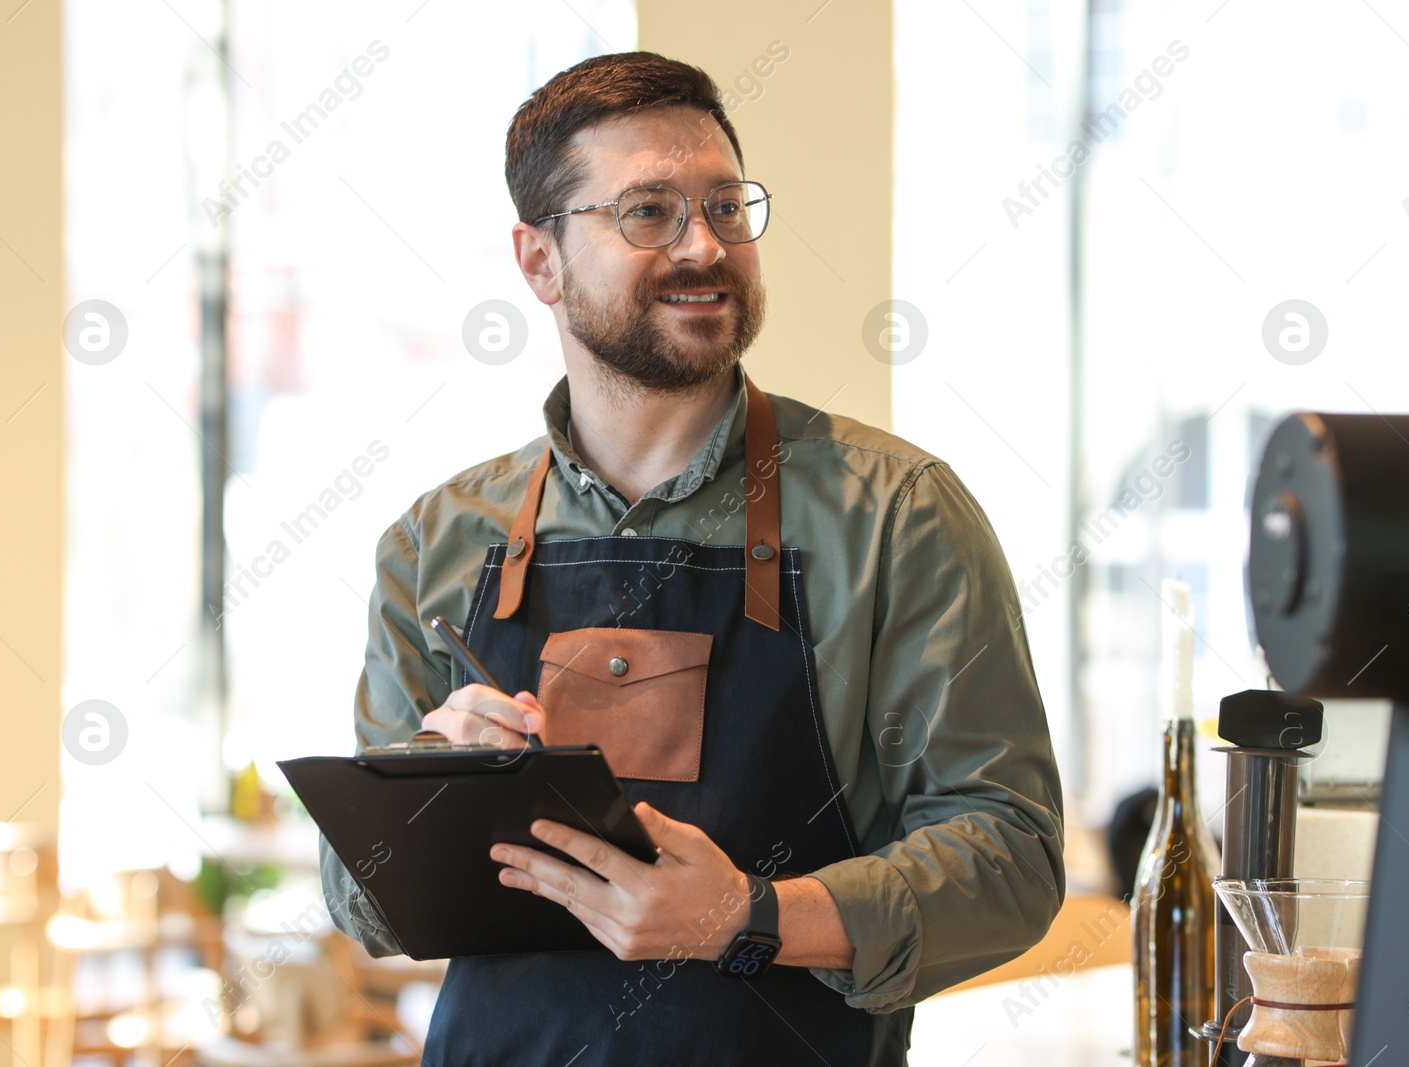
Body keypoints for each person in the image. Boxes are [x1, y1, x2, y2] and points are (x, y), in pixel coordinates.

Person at [319, 50, 1064, 1066]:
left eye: (725, 205)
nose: (703, 245)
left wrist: (749, 914)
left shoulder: (896, 515)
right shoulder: (436, 541)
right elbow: (359, 901)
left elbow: (1010, 856)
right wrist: (426, 789)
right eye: (649, 213)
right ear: (539, 261)